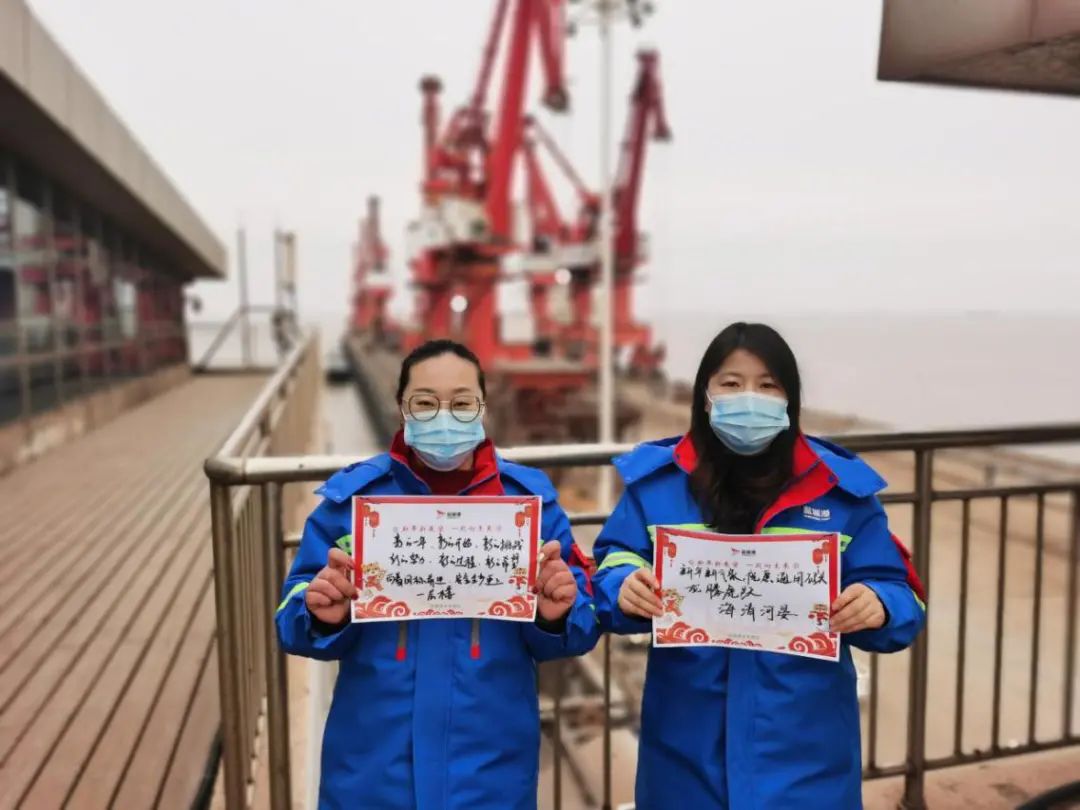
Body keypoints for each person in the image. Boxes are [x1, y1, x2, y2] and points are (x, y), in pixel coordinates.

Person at [592, 322, 927, 809]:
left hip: (805, 755)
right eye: (731, 383)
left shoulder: (839, 491)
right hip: (685, 752)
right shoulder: (657, 486)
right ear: (705, 396)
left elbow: (902, 592)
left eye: (768, 385)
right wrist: (624, 586)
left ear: (790, 399)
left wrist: (880, 604)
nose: (749, 398)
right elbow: (611, 564)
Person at [276, 339, 599, 810]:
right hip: (373, 770)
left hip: (490, 771)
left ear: (483, 408)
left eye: (462, 403)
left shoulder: (528, 507)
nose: (444, 417)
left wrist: (554, 614)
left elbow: (582, 623)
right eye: (425, 403)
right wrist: (324, 613)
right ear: (401, 408)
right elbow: (291, 618)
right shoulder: (352, 505)